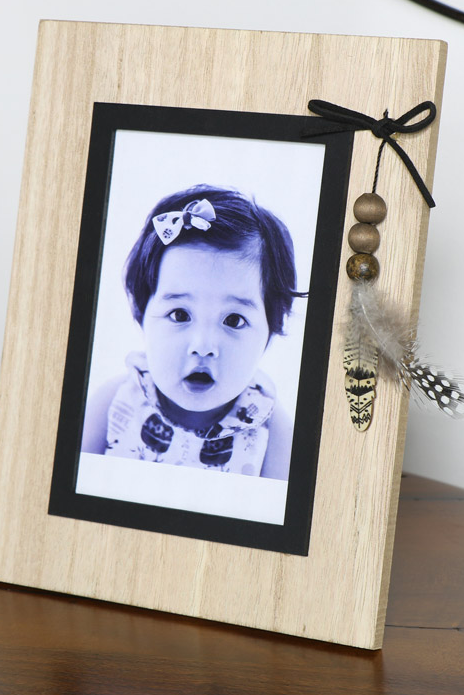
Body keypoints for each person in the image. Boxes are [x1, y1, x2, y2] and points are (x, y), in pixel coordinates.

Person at [80, 185, 305, 481]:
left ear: (271, 331)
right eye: (180, 315)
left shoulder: (274, 434)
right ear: (142, 314)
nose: (203, 346)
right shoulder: (114, 403)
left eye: (234, 320)